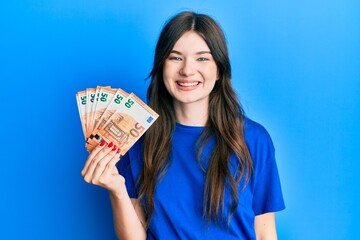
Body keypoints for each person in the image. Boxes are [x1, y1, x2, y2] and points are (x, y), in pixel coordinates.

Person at [81, 11, 285, 239]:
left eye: (202, 58)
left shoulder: (254, 139)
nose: (187, 70)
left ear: (219, 70)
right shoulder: (136, 140)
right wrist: (117, 190)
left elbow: (265, 232)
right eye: (175, 57)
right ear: (161, 66)